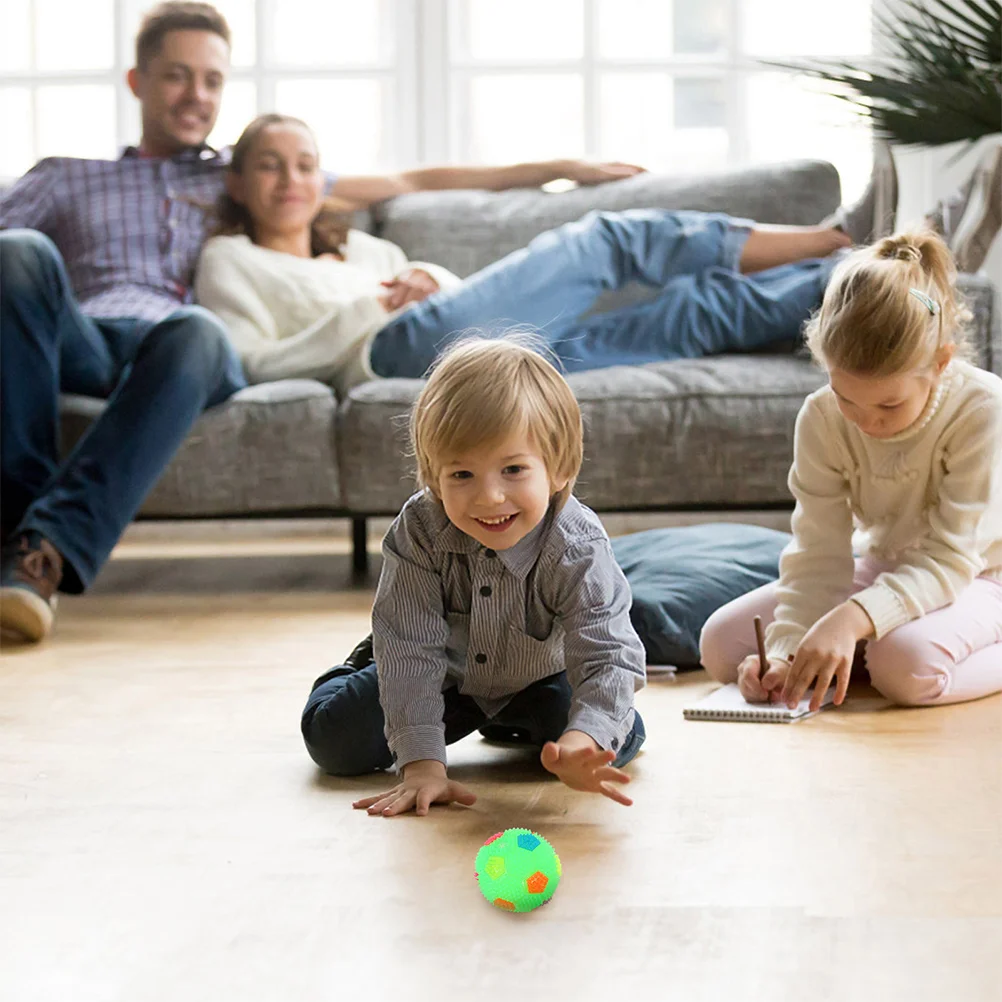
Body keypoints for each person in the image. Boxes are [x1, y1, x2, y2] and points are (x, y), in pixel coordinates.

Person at [0, 2, 644, 644]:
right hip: (85, 338)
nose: (196, 94)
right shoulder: (67, 177)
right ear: (138, 82)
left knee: (197, 329)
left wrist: (561, 168)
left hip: (186, 353)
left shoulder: (241, 174)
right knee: (18, 253)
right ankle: (14, 528)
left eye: (213, 80)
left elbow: (411, 179)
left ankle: (42, 549)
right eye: (176, 75)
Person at [196, 113, 870, 393]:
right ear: (237, 180)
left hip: (481, 359)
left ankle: (859, 275)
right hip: (393, 358)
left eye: (305, 164)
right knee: (604, 241)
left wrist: (428, 277)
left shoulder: (367, 249)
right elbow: (249, 364)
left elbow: (466, 309)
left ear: (324, 180)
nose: (290, 181)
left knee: (690, 313)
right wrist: (369, 309)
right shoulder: (231, 260)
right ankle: (834, 233)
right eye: (269, 166)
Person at [301, 338, 647, 815]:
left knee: (614, 739)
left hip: (540, 674)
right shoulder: (421, 529)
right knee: (333, 742)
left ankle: (513, 718)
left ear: (560, 469)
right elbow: (412, 650)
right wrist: (422, 764)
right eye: (461, 475)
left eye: (513, 469)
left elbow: (608, 653)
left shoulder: (577, 544)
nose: (489, 497)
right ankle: (363, 660)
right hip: (442, 672)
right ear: (432, 477)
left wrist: (581, 739)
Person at [699, 230, 1002, 711]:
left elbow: (950, 559)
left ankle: (880, 647)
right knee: (721, 645)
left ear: (941, 363)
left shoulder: (982, 408)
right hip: (887, 564)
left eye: (888, 404)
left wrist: (849, 621)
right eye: (846, 397)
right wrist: (784, 651)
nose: (865, 421)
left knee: (904, 669)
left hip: (980, 574)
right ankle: (866, 647)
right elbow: (817, 552)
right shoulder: (821, 416)